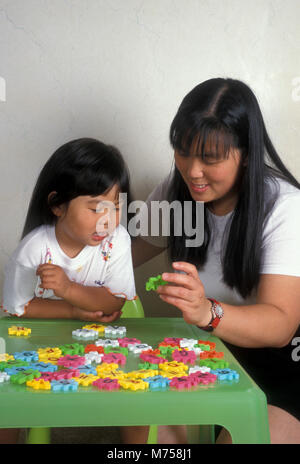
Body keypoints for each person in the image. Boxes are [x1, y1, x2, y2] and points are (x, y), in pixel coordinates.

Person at [130, 78, 300, 444]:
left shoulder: (284, 207)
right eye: (182, 151)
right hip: (213, 357)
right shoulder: (178, 193)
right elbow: (120, 257)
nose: (192, 171)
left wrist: (207, 311)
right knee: (147, 435)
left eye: (210, 158)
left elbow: (281, 325)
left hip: (286, 369)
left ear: (248, 154)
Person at [0, 137, 137, 443]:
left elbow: (114, 301)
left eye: (114, 207)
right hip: (34, 343)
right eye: (94, 208)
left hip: (101, 345)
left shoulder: (117, 241)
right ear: (57, 205)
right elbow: (20, 309)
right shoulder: (33, 250)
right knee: (4, 396)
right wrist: (74, 310)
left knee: (138, 397)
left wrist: (68, 288)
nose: (106, 220)